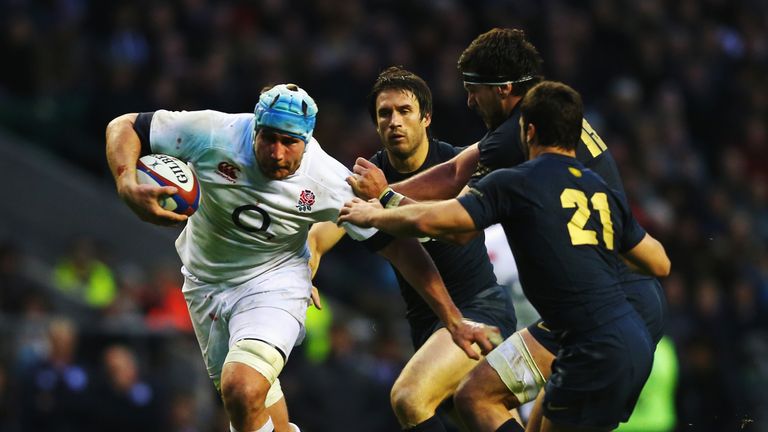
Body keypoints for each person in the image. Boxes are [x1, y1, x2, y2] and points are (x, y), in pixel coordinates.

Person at [105, 83, 496, 432]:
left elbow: (400, 247)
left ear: (308, 140)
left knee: (241, 386)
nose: (277, 153)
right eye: (269, 138)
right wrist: (125, 183)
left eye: (289, 142)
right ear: (254, 128)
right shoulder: (213, 132)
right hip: (203, 283)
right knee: (248, 408)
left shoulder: (328, 180)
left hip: (275, 282)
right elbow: (125, 125)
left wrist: (453, 319)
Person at [348, 28, 668, 428]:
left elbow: (457, 225)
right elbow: (661, 263)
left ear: (503, 90)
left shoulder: (516, 160)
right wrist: (379, 195)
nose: (468, 100)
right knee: (480, 399)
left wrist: (384, 204)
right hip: (618, 308)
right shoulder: (557, 124)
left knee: (470, 398)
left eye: (474, 89)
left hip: (595, 317)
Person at [308, 66, 517, 432]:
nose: (394, 121)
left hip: (479, 310)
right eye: (384, 113)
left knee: (409, 397)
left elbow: (460, 231)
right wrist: (304, 271)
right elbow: (318, 236)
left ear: (426, 117)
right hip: (426, 328)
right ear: (375, 124)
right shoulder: (364, 179)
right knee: (483, 417)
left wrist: (386, 201)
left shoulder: (454, 166)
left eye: (404, 111)